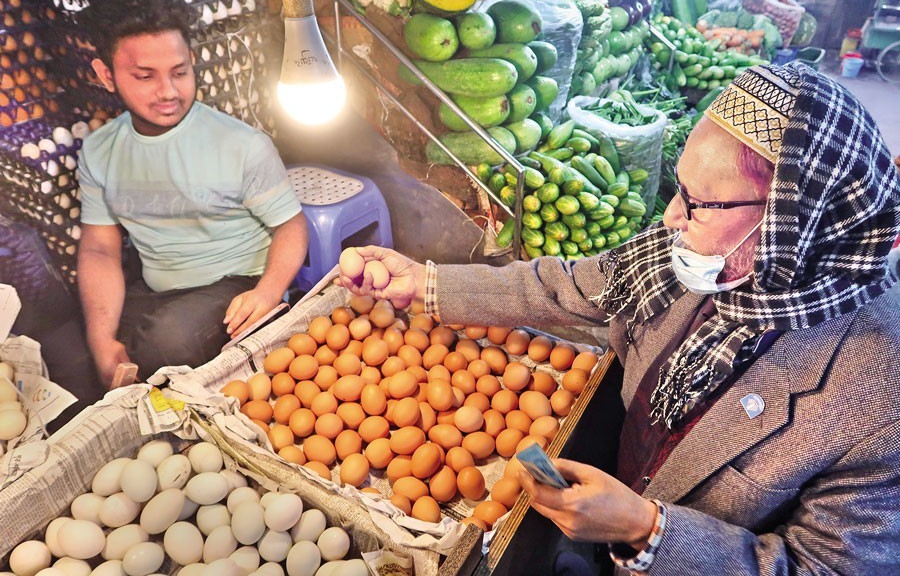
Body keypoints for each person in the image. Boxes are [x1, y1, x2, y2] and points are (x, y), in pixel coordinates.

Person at [337, 63, 900, 574]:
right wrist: (425, 283)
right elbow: (567, 288)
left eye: (699, 203)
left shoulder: (877, 396)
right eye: (679, 190)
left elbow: (829, 568)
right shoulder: (703, 256)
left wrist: (648, 530)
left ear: (788, 223)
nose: (672, 216)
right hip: (625, 479)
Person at [76, 0, 308, 388]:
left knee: (166, 345)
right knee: (71, 353)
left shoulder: (241, 144)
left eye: (179, 72)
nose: (168, 92)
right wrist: (100, 340)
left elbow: (290, 226)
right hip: (156, 290)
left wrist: (267, 293)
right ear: (106, 75)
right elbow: (99, 250)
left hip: (236, 284)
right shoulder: (99, 151)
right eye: (145, 76)